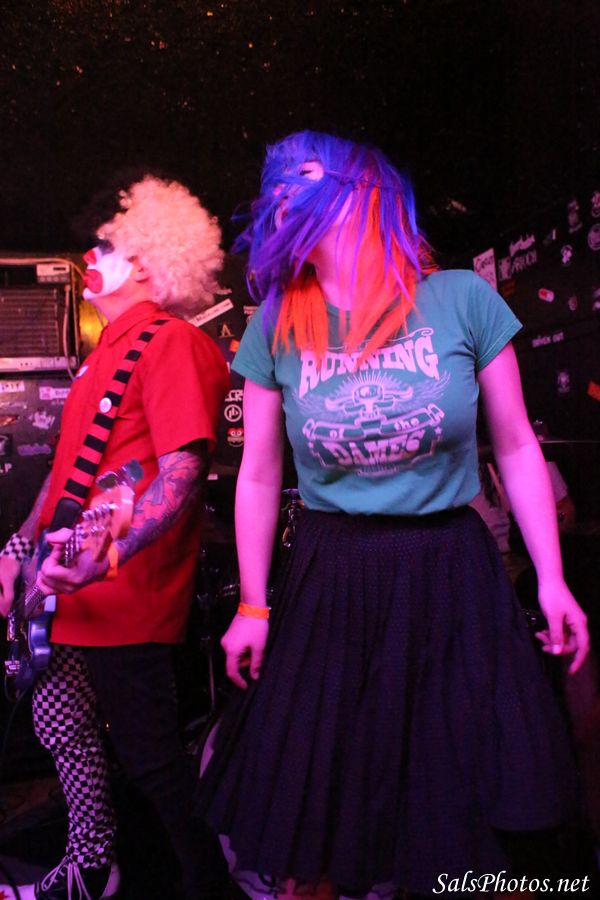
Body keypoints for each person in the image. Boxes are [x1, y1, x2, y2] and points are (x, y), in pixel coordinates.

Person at [197, 131, 590, 899]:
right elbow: (259, 475)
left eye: (307, 173)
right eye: (278, 180)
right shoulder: (277, 320)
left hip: (449, 569)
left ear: (365, 189)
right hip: (333, 572)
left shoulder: (461, 300)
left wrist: (551, 578)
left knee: (455, 798)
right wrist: (252, 603)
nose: (285, 189)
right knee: (319, 806)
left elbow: (515, 445)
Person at [0, 173, 230, 900]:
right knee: (62, 730)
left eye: (105, 246)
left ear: (152, 261)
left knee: (152, 759)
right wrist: (17, 549)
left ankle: (208, 884)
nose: (88, 259)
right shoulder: (100, 358)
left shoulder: (172, 343)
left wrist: (110, 555)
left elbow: (182, 474)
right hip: (60, 597)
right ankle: (93, 864)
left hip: (124, 601)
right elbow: (63, 478)